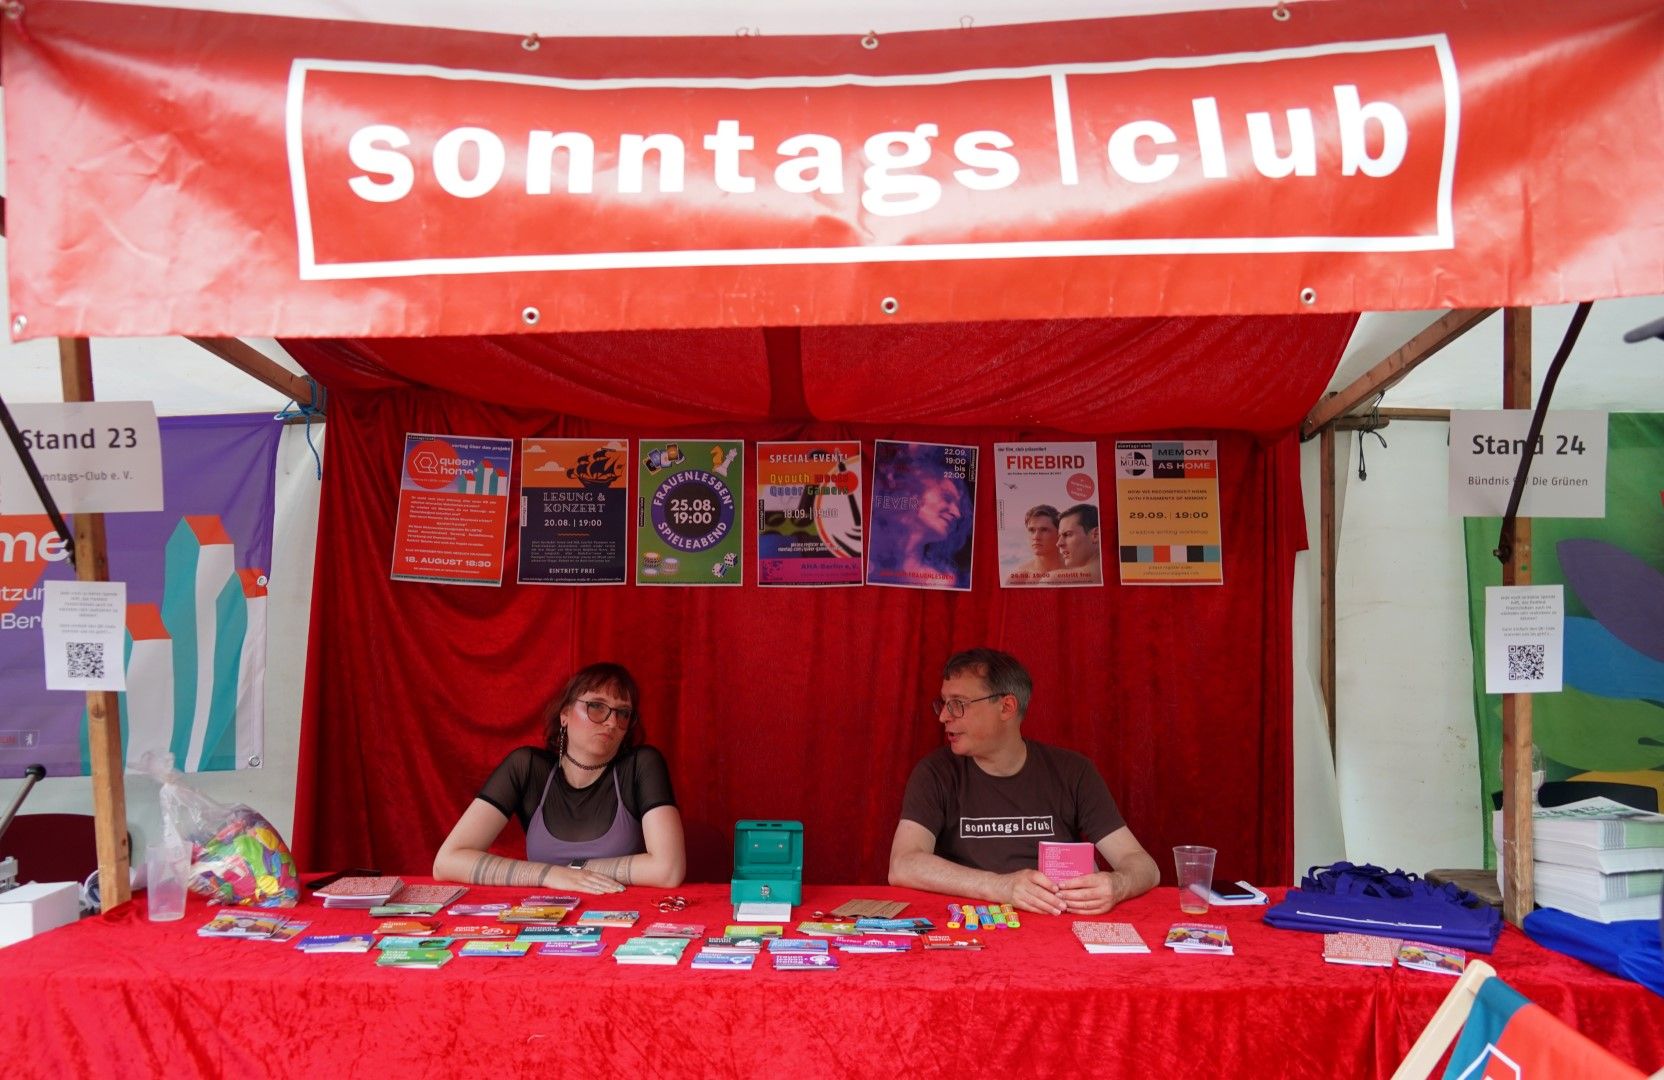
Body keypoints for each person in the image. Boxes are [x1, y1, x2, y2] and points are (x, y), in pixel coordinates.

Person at [888, 648, 1158, 915]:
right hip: (974, 926)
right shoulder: (935, 773)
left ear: (1006, 707)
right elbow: (903, 865)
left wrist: (1117, 885)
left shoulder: (1073, 771)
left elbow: (1144, 866)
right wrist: (1000, 887)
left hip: (1056, 924)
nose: (943, 716)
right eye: (944, 703)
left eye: (958, 703)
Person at [434, 662, 686, 892]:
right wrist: (548, 875)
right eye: (596, 706)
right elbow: (447, 861)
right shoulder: (527, 767)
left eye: (623, 713)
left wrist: (573, 870)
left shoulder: (641, 765)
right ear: (564, 714)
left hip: (617, 914)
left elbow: (668, 870)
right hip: (545, 914)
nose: (612, 722)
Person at [868, 444, 973, 588]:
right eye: (947, 498)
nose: (957, 513)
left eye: (958, 506)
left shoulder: (942, 581)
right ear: (911, 491)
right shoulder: (866, 553)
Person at [1006, 504, 1064, 584]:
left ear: (1059, 534)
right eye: (1032, 530)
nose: (1036, 537)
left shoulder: (1075, 569)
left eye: (1044, 530)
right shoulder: (1018, 579)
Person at [1051, 502, 1102, 583]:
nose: (1058, 543)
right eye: (1059, 536)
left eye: (1068, 534)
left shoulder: (1054, 579)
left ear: (1095, 535)